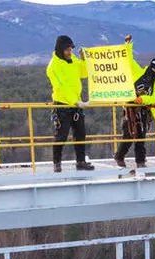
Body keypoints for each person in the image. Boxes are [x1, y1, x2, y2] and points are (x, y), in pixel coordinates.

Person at [114, 37, 155, 169]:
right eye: (153, 68)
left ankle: (140, 162)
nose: (154, 71)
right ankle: (120, 155)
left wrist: (143, 99)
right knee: (129, 134)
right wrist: (127, 45)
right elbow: (129, 60)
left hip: (143, 110)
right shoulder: (138, 72)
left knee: (141, 136)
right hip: (130, 108)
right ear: (150, 65)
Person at [46, 35, 93, 172]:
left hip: (75, 105)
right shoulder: (53, 66)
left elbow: (83, 73)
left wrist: (84, 60)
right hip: (62, 105)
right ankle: (57, 163)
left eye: (71, 49)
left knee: (80, 133)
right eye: (67, 49)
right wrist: (76, 101)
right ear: (60, 50)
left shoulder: (73, 60)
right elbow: (62, 86)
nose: (69, 52)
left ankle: (81, 162)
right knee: (61, 135)